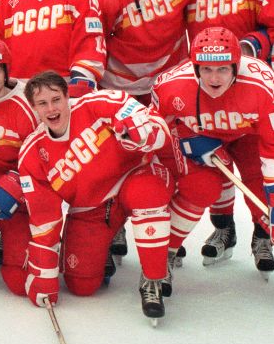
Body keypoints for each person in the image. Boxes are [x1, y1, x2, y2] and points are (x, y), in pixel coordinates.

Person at [19, 71, 175, 320]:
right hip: (92, 208)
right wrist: (43, 275)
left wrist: (142, 133)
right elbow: (43, 217)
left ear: (67, 96)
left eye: (56, 99)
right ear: (33, 108)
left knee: (147, 194)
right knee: (82, 286)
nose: (51, 108)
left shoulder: (100, 103)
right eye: (42, 103)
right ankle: (111, 237)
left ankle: (153, 278)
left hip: (134, 177)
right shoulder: (32, 153)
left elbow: (158, 127)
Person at [185, 0, 274, 257]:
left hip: (250, 89)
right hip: (205, 88)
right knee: (214, 164)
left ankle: (263, 234)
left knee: (251, 167)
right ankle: (223, 231)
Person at [152, 27, 274, 280]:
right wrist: (188, 139)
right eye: (206, 69)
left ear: (236, 67)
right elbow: (155, 132)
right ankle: (164, 254)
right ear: (195, 67)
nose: (214, 78)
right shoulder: (171, 85)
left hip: (249, 136)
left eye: (222, 69)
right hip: (203, 135)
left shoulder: (265, 85)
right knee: (199, 188)